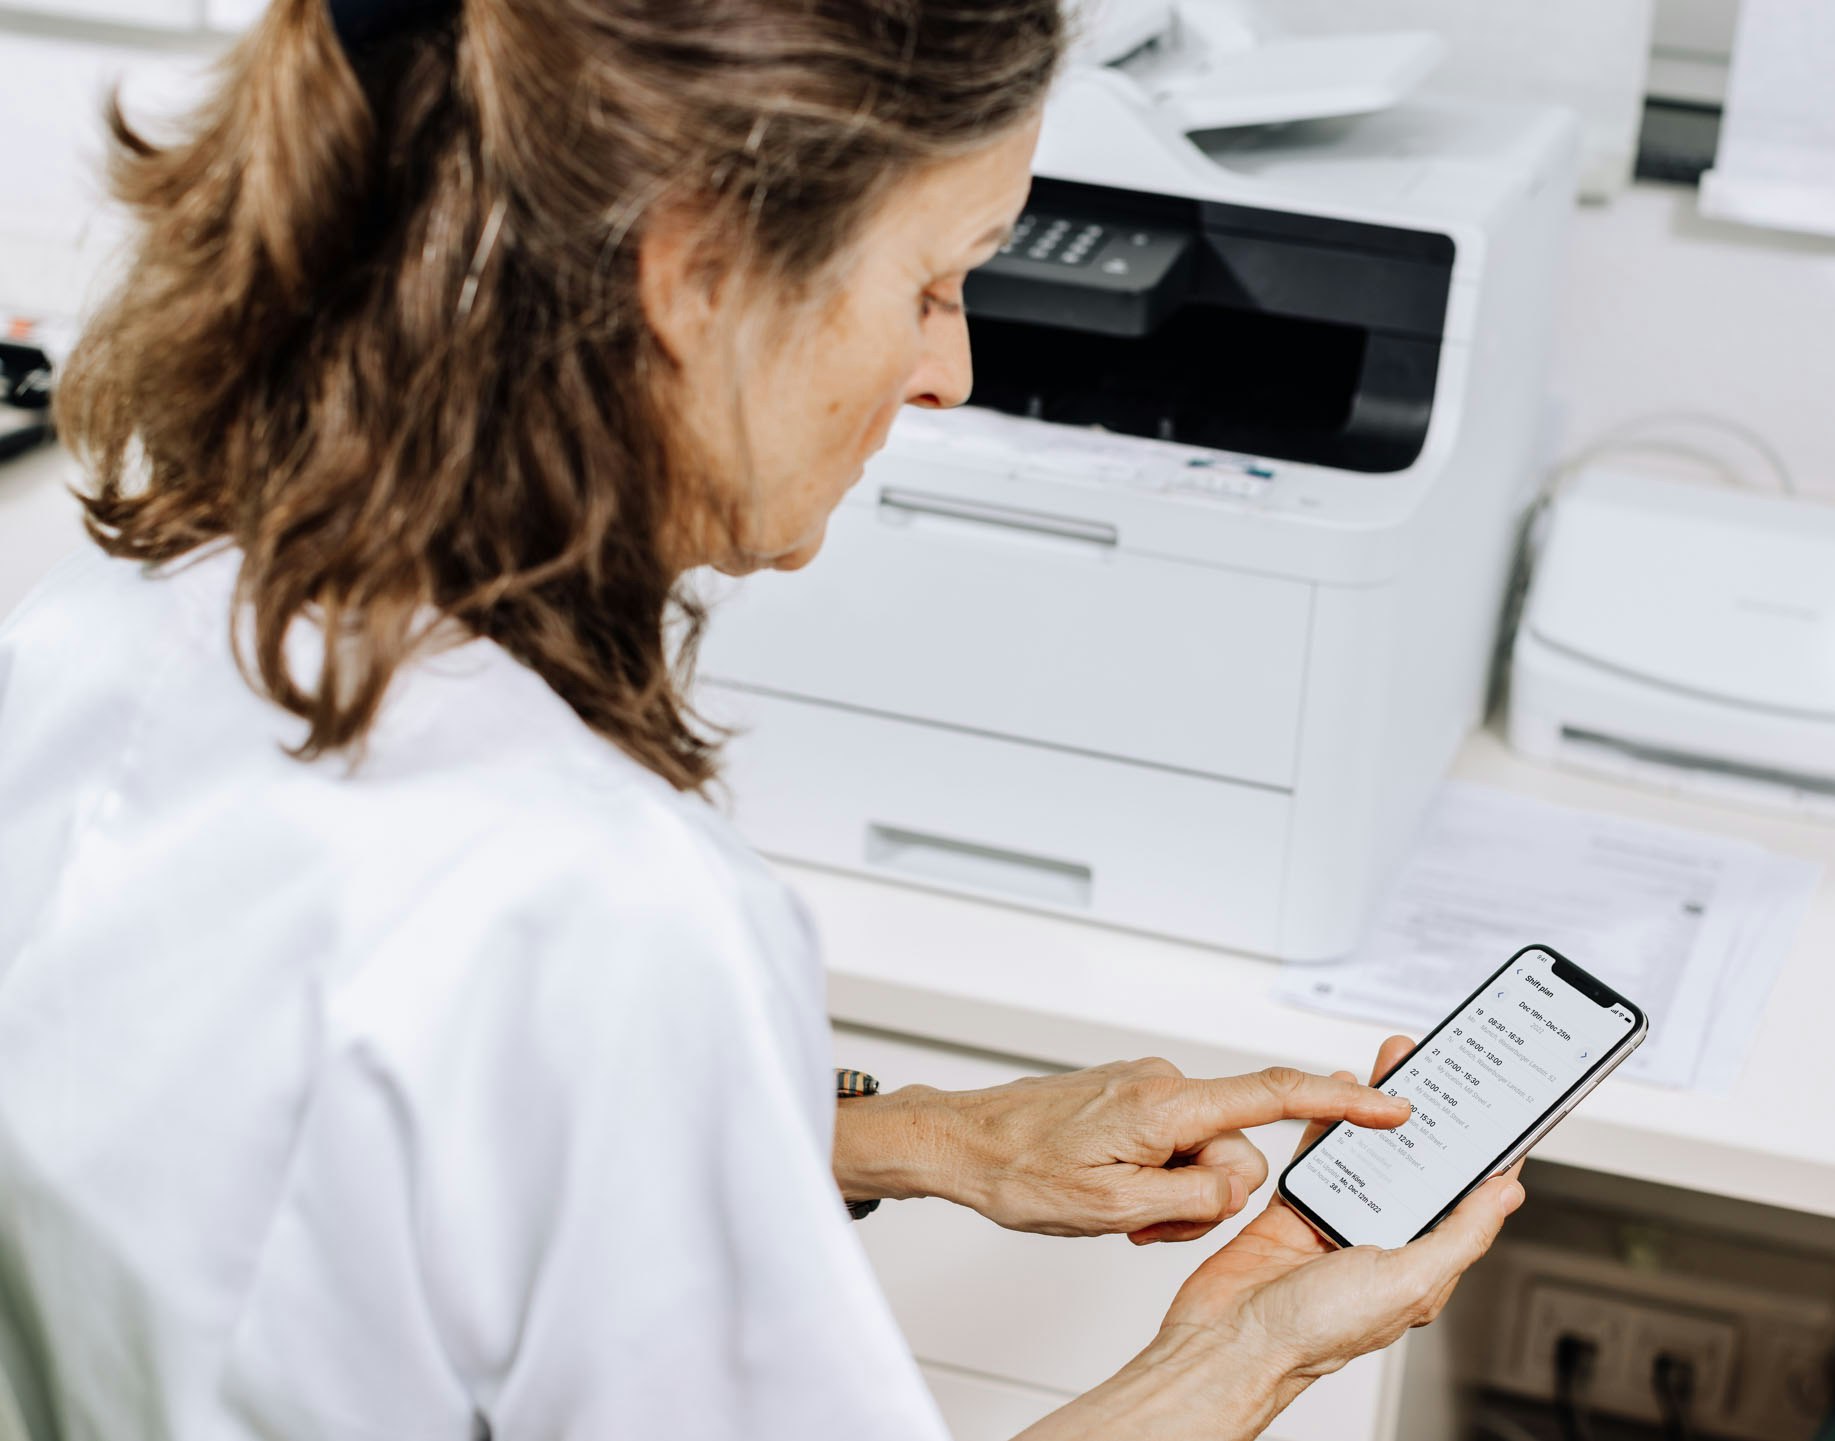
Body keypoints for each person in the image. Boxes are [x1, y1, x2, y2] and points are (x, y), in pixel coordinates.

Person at [0, 0, 1524, 1436]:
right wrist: (1250, 1343)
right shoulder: (610, 919)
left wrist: (929, 1133)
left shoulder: (91, 638)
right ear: (696, 274)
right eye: (932, 283)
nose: (953, 370)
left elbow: (337, 1149)